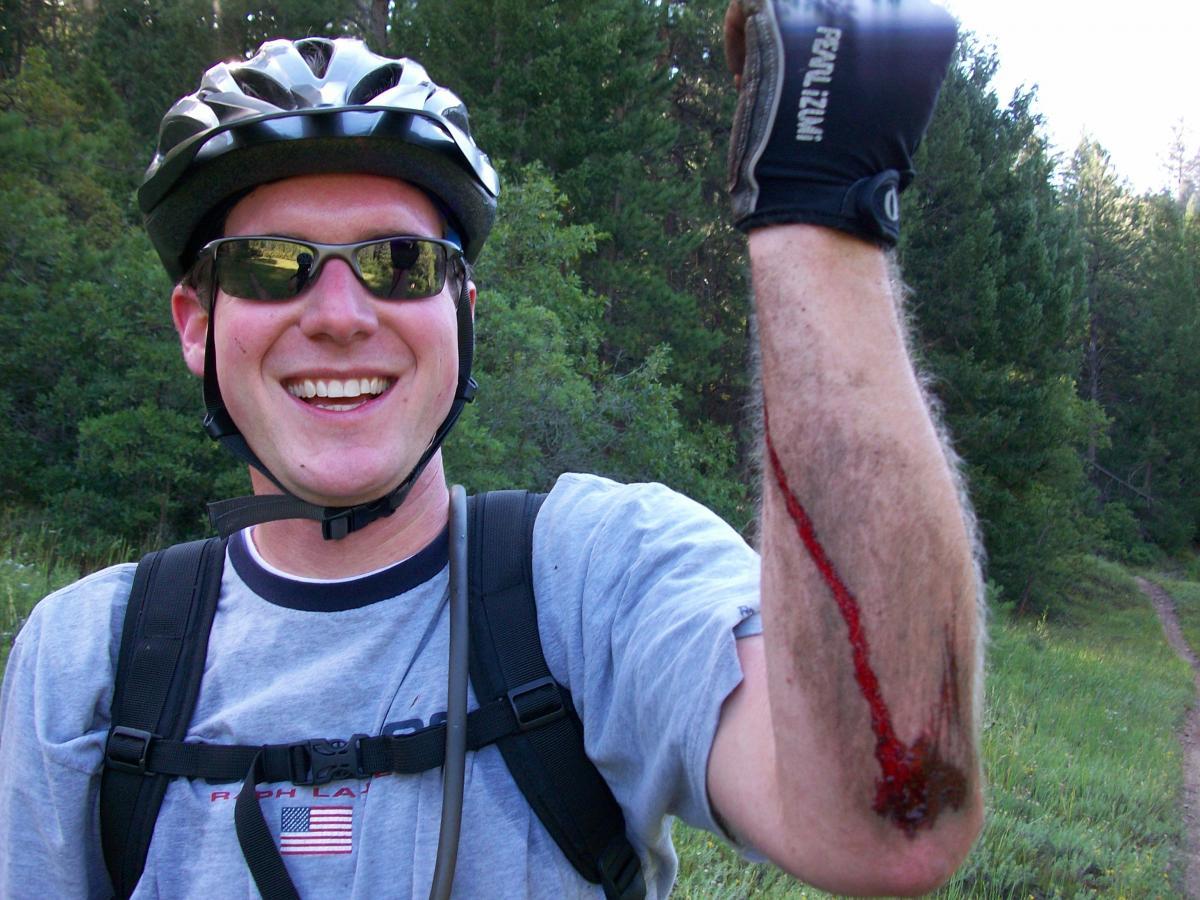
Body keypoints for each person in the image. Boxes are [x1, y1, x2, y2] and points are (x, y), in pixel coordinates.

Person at [0, 1, 985, 897]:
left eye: (399, 263)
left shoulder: (597, 578)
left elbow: (886, 829)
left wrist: (817, 197)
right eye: (271, 268)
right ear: (194, 323)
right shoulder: (87, 661)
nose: (340, 316)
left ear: (462, 313)